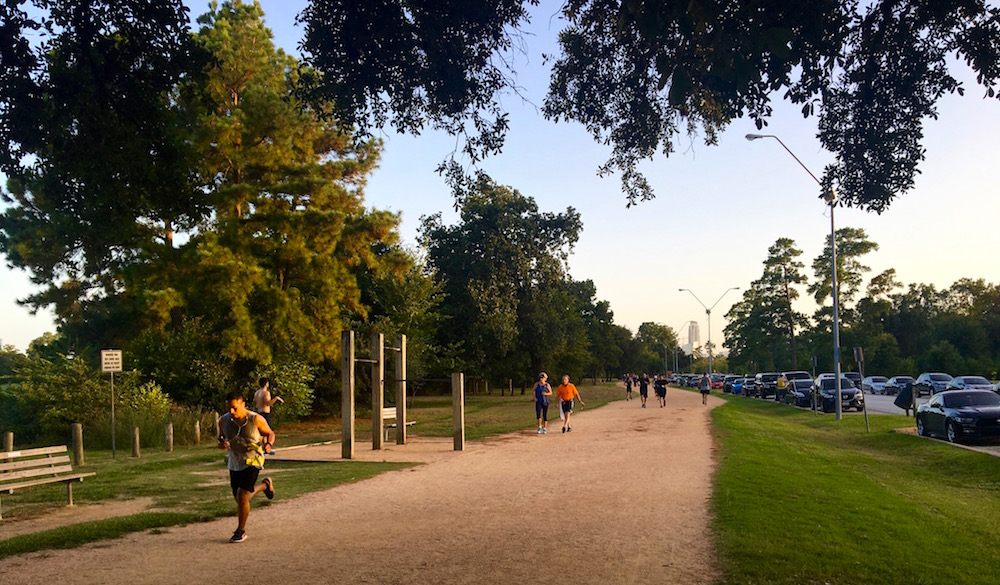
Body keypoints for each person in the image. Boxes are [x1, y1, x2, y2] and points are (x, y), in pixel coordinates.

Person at [218, 390, 276, 543]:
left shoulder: (255, 419)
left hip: (253, 460)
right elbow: (220, 438)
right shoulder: (223, 421)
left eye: (235, 408)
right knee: (239, 498)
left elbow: (270, 433)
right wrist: (222, 444)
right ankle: (265, 485)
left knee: (242, 496)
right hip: (235, 461)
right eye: (228, 408)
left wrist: (268, 444)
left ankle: (240, 531)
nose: (231, 411)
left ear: (243, 404)